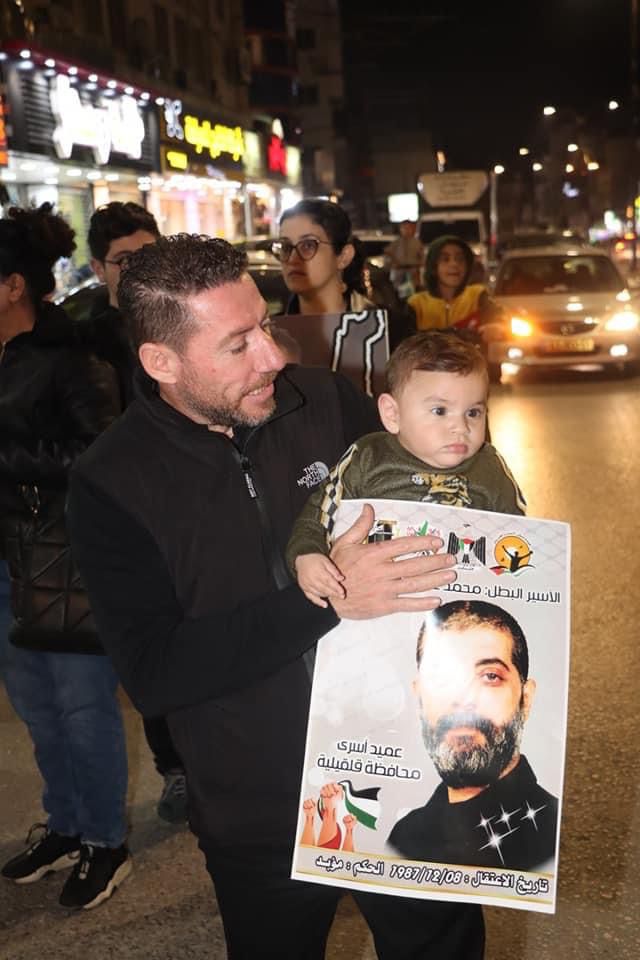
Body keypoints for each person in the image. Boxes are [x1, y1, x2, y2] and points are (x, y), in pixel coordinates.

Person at [66, 234, 484, 959]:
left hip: (406, 773)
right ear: (161, 362)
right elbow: (155, 671)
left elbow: (450, 495)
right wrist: (323, 599)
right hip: (258, 811)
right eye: (238, 344)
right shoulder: (113, 481)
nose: (272, 356)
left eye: (264, 324)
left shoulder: (327, 402)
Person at [0, 204, 131, 909]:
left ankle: (106, 843)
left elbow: (99, 455)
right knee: (37, 709)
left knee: (82, 706)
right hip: (6, 562)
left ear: (13, 285)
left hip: (61, 557)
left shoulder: (71, 355)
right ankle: (67, 824)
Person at [286, 331, 524, 608]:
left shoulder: (490, 467)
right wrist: (306, 556)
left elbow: (520, 534)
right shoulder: (367, 458)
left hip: (463, 605)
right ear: (393, 414)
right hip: (377, 607)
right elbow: (318, 516)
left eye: (473, 412)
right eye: (440, 411)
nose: (461, 427)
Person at [86, 201, 187, 824]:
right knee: (149, 641)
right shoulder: (83, 336)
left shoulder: (180, 315)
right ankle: (174, 767)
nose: (136, 268)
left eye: (147, 254)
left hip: (188, 495)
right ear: (100, 267)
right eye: (124, 259)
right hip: (126, 505)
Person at [387, 600, 559, 872]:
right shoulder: (405, 836)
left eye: (489, 676)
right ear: (419, 697)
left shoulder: (553, 836)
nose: (463, 699)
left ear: (525, 699)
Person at [274, 198, 414, 351]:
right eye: (285, 247)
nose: (292, 259)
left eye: (308, 245)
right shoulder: (270, 337)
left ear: (344, 256)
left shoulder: (390, 330)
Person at [408, 235, 499, 333]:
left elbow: (499, 318)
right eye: (445, 259)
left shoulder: (477, 295)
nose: (454, 264)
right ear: (433, 266)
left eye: (460, 259)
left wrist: (497, 327)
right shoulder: (417, 304)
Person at [385, 220, 424, 298]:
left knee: (413, 292)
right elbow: (388, 252)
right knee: (398, 292)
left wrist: (419, 264)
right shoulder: (397, 242)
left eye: (409, 228)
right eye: (404, 228)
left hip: (412, 270)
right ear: (401, 229)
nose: (407, 230)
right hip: (399, 271)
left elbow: (422, 256)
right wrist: (394, 261)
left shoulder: (417, 242)